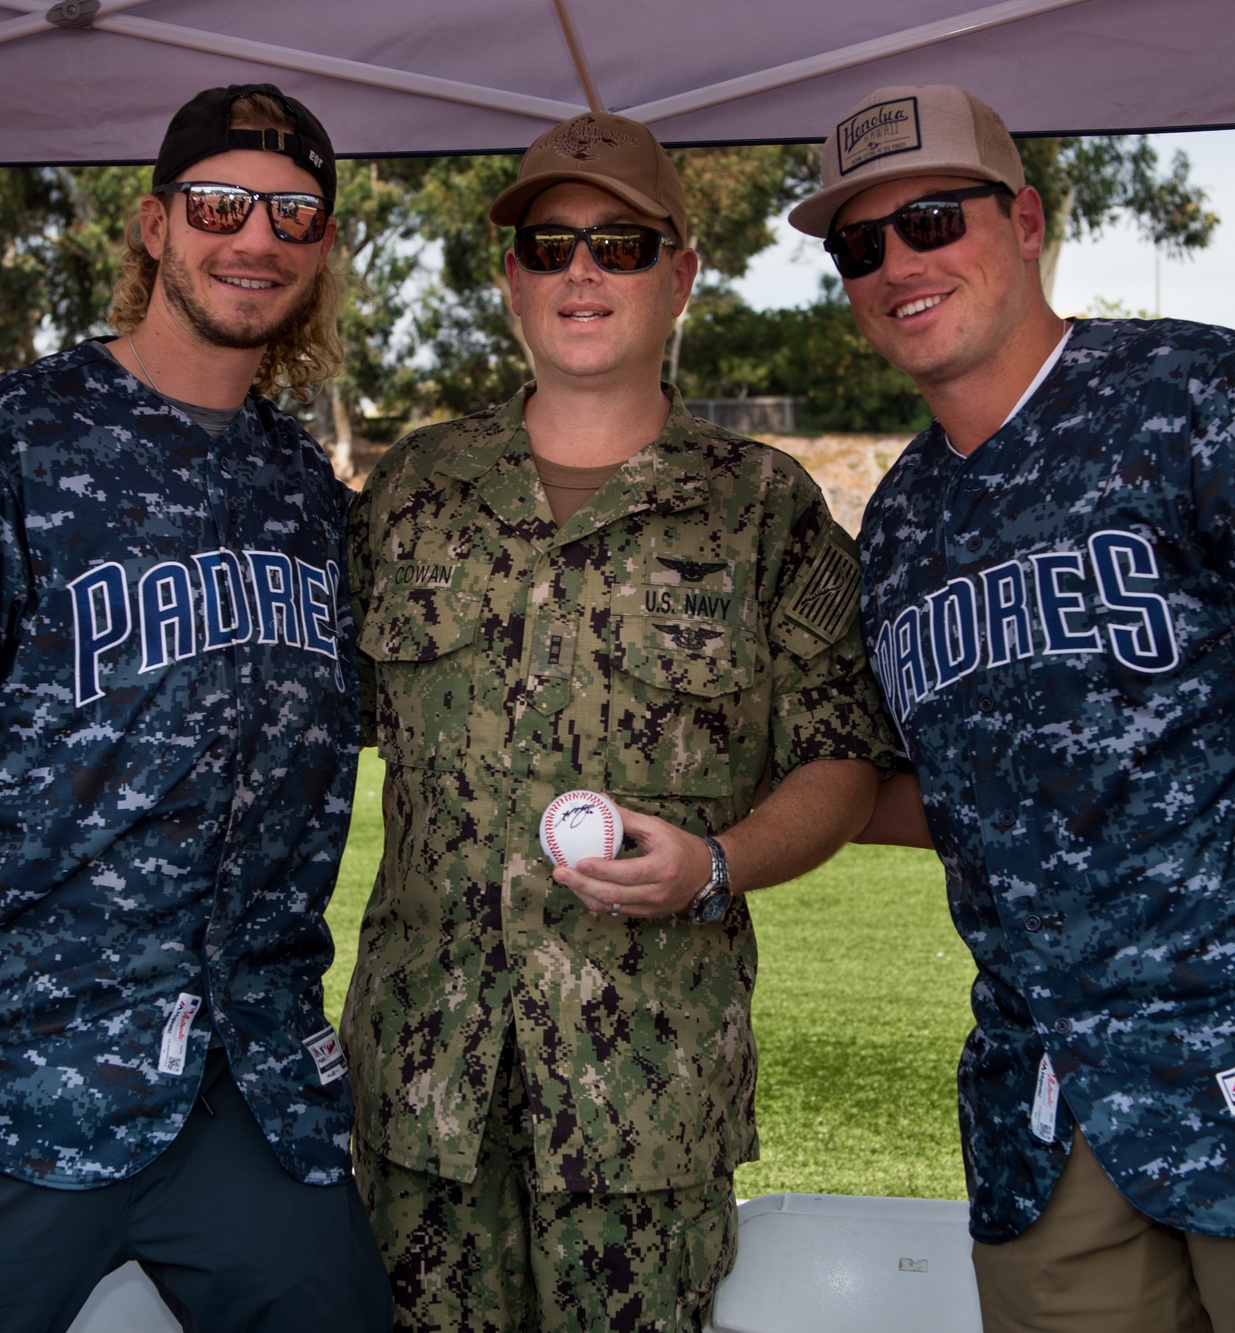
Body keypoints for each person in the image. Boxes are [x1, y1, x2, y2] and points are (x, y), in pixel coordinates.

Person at [795, 85, 1235, 1332]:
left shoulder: (1202, 395)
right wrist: (735, 809)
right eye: (859, 244)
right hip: (1051, 1123)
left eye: (932, 219)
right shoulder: (898, 520)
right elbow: (957, 802)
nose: (898, 262)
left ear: (1024, 219)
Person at [0, 83, 390, 1332]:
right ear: (154, 224)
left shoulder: (310, 494)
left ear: (324, 245)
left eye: (294, 212)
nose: (257, 237)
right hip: (26, 1075)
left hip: (258, 1091)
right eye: (222, 204)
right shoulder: (8, 441)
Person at [342, 111, 900, 1333]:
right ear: (510, 280)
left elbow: (841, 760)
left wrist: (717, 864)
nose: (581, 272)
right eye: (548, 246)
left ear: (683, 273)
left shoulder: (760, 508)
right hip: (421, 1100)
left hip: (642, 1107)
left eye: (622, 244)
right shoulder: (411, 493)